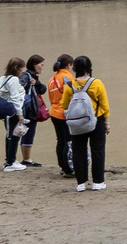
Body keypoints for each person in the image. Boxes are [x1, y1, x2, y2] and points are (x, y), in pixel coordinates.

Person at [64, 55, 110, 192]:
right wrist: (106, 121)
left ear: (75, 69)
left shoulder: (69, 85)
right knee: (98, 150)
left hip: (77, 122)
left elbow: (64, 105)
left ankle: (81, 183)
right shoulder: (97, 83)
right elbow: (105, 105)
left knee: (79, 151)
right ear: (89, 68)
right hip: (96, 120)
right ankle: (98, 182)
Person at [0, 57, 29, 172]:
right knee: (15, 135)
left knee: (9, 134)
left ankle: (10, 160)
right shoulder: (14, 80)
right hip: (14, 111)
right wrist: (20, 114)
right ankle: (10, 162)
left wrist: (3, 98)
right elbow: (16, 98)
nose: (22, 72)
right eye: (21, 69)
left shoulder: (3, 78)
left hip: (7, 111)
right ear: (16, 68)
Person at [46, 54, 75, 177]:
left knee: (60, 141)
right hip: (64, 113)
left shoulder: (52, 80)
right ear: (69, 65)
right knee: (68, 141)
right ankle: (69, 169)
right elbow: (73, 94)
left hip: (54, 112)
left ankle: (63, 166)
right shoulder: (67, 77)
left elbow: (51, 98)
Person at [17, 54, 47, 168]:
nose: (42, 67)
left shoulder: (33, 77)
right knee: (27, 133)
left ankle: (26, 158)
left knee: (26, 132)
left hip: (29, 109)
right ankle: (26, 159)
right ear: (35, 65)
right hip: (28, 110)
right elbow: (19, 87)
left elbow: (43, 89)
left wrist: (36, 83)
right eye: (41, 64)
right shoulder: (26, 76)